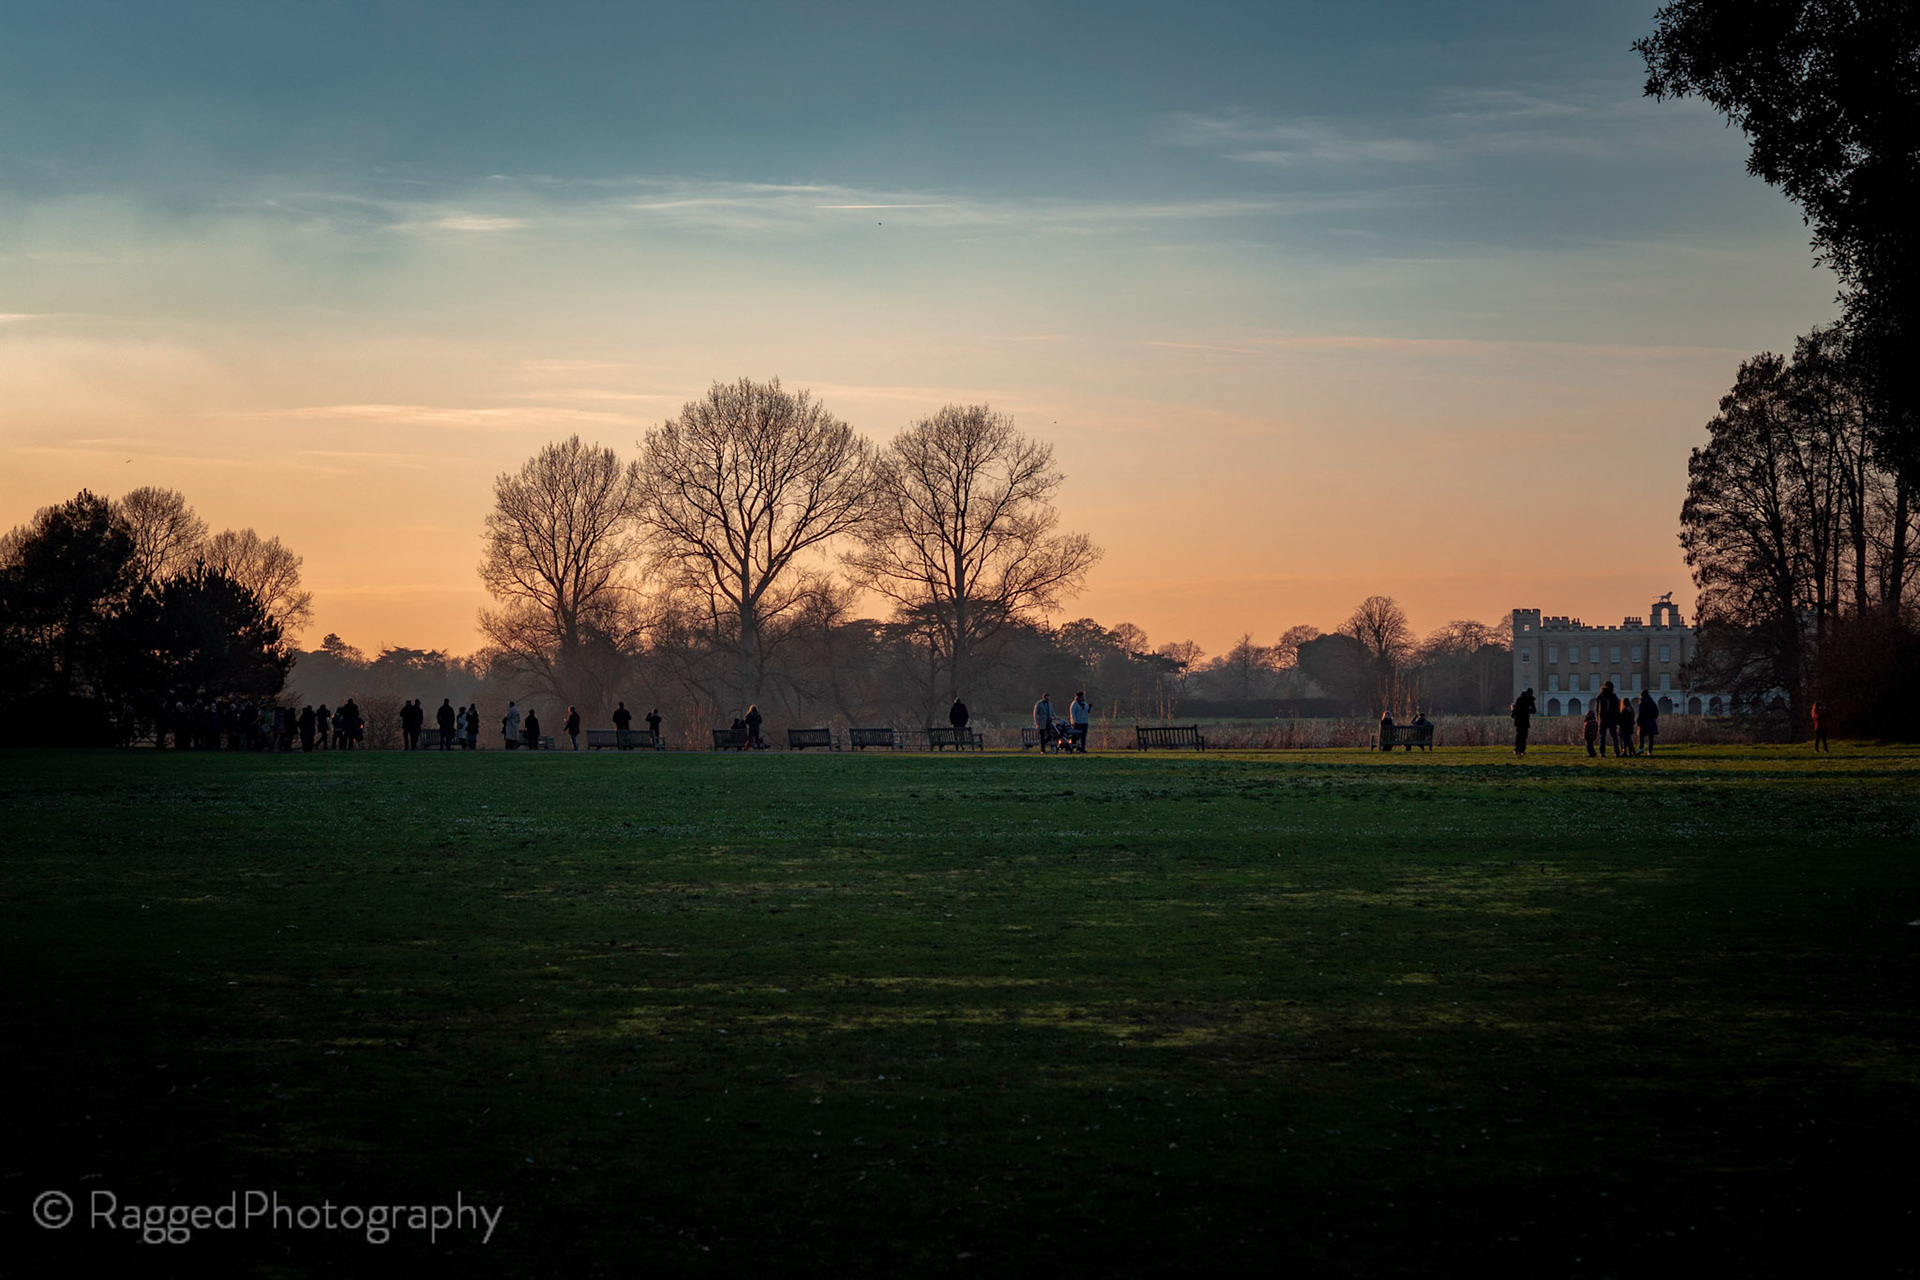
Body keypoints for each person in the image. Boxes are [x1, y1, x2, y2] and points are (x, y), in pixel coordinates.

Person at [1510, 687, 1535, 755]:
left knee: (1521, 735)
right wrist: (1528, 710)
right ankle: (1520, 750)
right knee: (1522, 736)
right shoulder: (1530, 700)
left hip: (1519, 720)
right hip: (1524, 720)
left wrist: (1513, 713)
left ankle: (1518, 749)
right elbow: (1534, 710)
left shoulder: (1520, 699)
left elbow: (1517, 709)